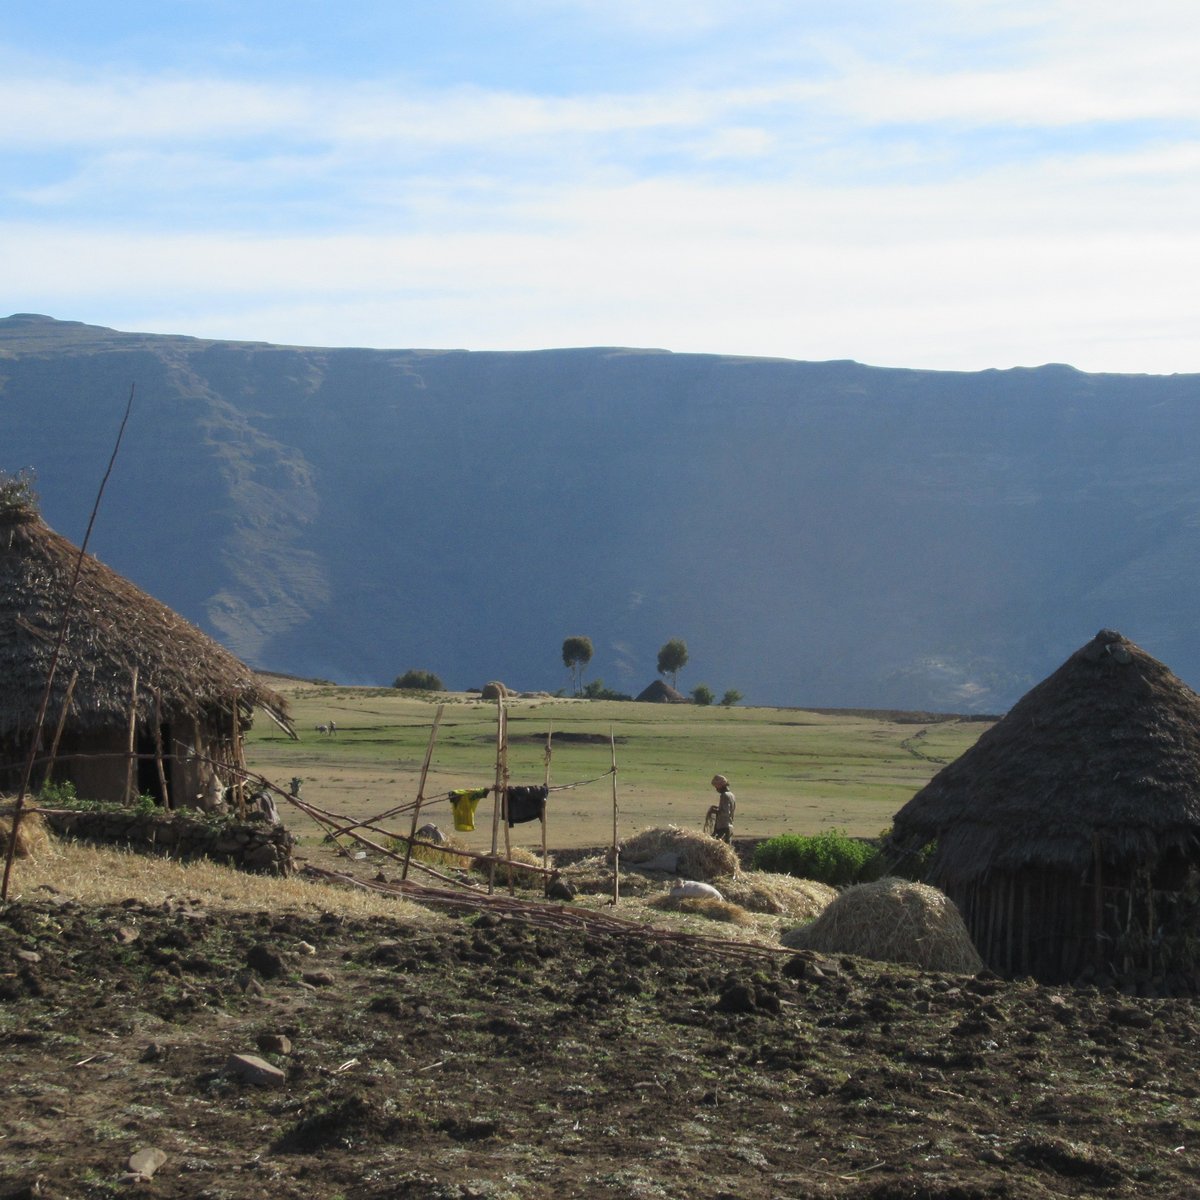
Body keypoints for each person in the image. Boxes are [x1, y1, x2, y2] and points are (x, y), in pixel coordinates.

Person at [708, 773, 736, 843]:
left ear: (721, 785)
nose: (716, 789)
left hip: (723, 827)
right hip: (729, 826)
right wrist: (717, 808)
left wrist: (713, 811)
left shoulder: (724, 795)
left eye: (716, 786)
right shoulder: (731, 795)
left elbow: (725, 812)